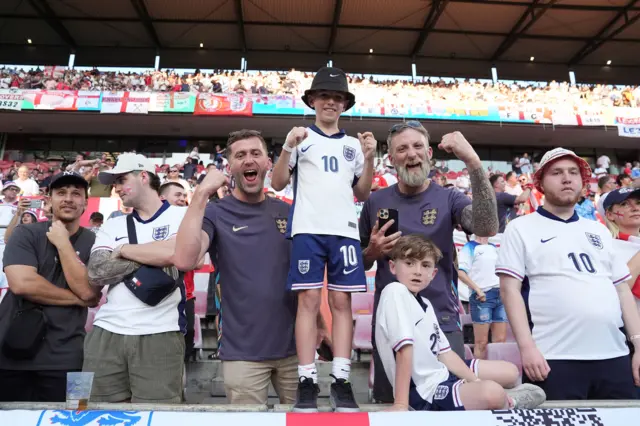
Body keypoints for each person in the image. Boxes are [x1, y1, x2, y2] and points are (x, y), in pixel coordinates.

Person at [358, 122, 498, 404]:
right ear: (391, 158)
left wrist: (471, 160)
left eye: (417, 146)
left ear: (429, 153)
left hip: (443, 322)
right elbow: (359, 263)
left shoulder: (448, 197)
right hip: (392, 327)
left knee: (454, 407)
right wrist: (373, 251)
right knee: (395, 406)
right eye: (402, 148)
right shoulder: (376, 201)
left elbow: (487, 226)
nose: (411, 154)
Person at [269, 67, 376, 412]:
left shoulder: (352, 145)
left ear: (344, 104)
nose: (331, 102)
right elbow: (278, 183)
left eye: (337, 97)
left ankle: (342, 380)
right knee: (308, 303)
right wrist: (287, 147)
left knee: (342, 304)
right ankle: (306, 379)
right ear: (312, 100)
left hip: (344, 231)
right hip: (308, 230)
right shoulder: (301, 138)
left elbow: (361, 192)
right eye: (324, 96)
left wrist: (371, 157)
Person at [497, 147, 640, 400]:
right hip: (553, 357)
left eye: (574, 172)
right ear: (540, 181)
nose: (567, 178)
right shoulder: (520, 228)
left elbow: (621, 290)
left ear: (582, 183)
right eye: (557, 172)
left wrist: (638, 344)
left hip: (614, 355)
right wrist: (527, 347)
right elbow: (510, 291)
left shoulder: (599, 231)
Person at [174, 129, 299, 406]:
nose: (248, 160)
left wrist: (320, 324)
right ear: (229, 166)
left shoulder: (287, 212)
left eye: (256, 153)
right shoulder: (215, 212)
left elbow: (303, 275)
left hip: (295, 350)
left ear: (268, 162)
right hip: (242, 352)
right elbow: (183, 260)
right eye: (240, 155)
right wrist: (202, 193)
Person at [375, 235, 545, 412]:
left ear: (433, 274)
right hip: (424, 391)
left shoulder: (425, 303)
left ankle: (495, 398)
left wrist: (474, 381)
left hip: (441, 372)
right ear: (393, 267)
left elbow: (445, 354)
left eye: (425, 265)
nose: (417, 271)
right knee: (492, 392)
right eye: (409, 263)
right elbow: (404, 350)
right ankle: (510, 402)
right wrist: (401, 404)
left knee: (509, 372)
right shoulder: (395, 292)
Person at [84, 153, 187, 403]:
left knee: (160, 415)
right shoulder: (114, 224)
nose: (116, 188)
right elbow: (97, 271)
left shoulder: (183, 216)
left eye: (121, 179)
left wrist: (123, 250)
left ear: (143, 176)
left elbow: (183, 255)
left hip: (160, 332)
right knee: (95, 412)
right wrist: (157, 252)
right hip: (106, 332)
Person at [0, 172, 98, 402]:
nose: (68, 199)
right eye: (61, 193)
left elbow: (88, 292)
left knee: (78, 414)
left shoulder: (96, 241)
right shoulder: (25, 232)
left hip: (73, 356)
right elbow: (22, 284)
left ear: (85, 202)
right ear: (49, 199)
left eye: (76, 194)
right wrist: (77, 299)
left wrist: (63, 243)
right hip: (12, 353)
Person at [603, 187, 640, 398]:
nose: (635, 208)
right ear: (610, 214)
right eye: (625, 204)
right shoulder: (607, 247)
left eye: (638, 203)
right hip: (628, 339)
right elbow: (619, 290)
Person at [457, 236, 505, 359]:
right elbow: (461, 272)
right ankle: (479, 375)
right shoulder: (469, 247)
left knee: (500, 341)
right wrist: (477, 289)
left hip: (500, 295)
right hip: (482, 297)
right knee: (481, 343)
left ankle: (498, 375)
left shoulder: (493, 247)